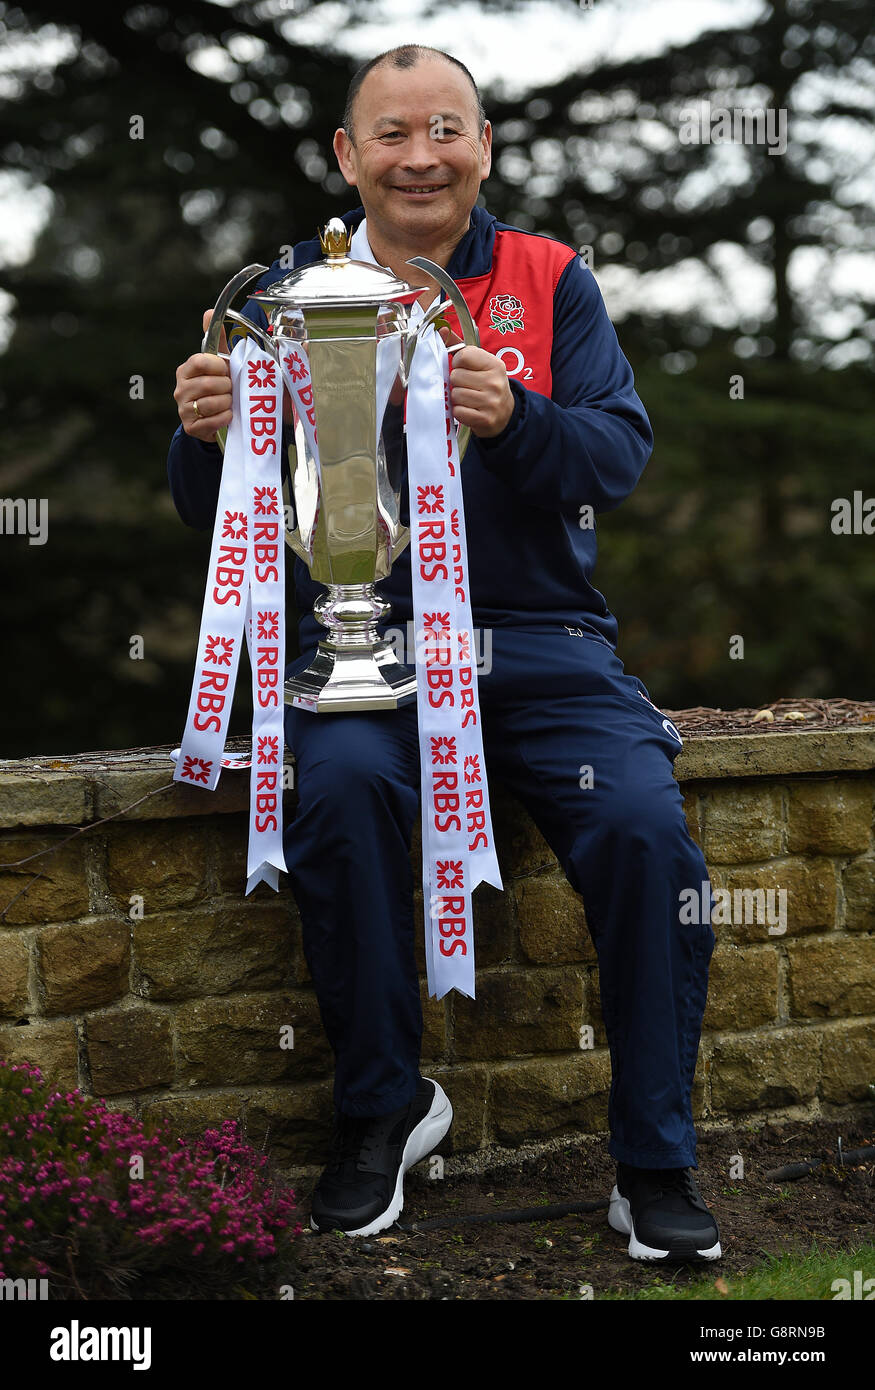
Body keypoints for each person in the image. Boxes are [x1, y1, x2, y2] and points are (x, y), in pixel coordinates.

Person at [168, 45, 721, 1262]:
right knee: (346, 790)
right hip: (362, 646)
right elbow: (224, 510)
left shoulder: (548, 278)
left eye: (446, 129)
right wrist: (204, 434)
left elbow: (615, 457)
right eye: (391, 133)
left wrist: (517, 418)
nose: (419, 155)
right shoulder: (274, 296)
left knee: (641, 829)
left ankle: (653, 1155)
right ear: (345, 157)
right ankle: (383, 1110)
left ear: (483, 146)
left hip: (540, 643)